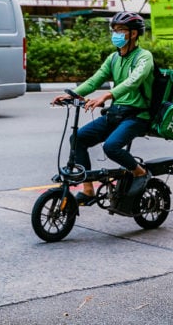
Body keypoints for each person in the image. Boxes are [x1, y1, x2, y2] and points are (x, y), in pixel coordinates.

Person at [52, 11, 154, 206]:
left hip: (137, 116)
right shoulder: (114, 58)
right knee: (77, 139)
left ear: (133, 33)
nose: (116, 34)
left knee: (111, 147)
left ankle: (140, 173)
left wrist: (107, 95)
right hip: (116, 114)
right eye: (114, 30)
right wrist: (72, 94)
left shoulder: (144, 57)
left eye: (121, 30)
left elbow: (134, 81)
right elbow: (95, 80)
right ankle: (88, 189)